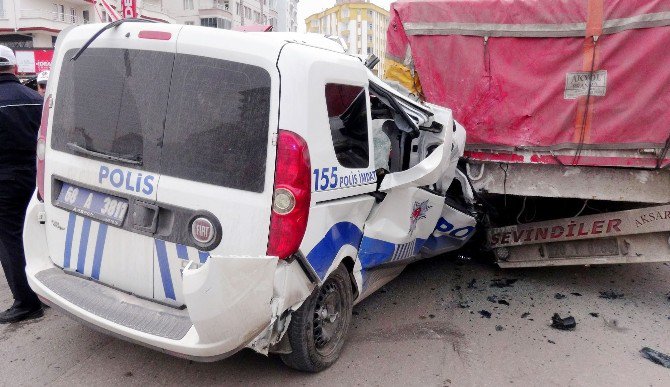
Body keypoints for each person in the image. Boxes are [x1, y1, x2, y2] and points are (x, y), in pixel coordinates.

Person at [0, 45, 44, 323]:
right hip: (35, 176)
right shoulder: (36, 99)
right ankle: (43, 290)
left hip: (4, 180)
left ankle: (27, 302)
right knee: (37, 233)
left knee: (10, 239)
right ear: (14, 68)